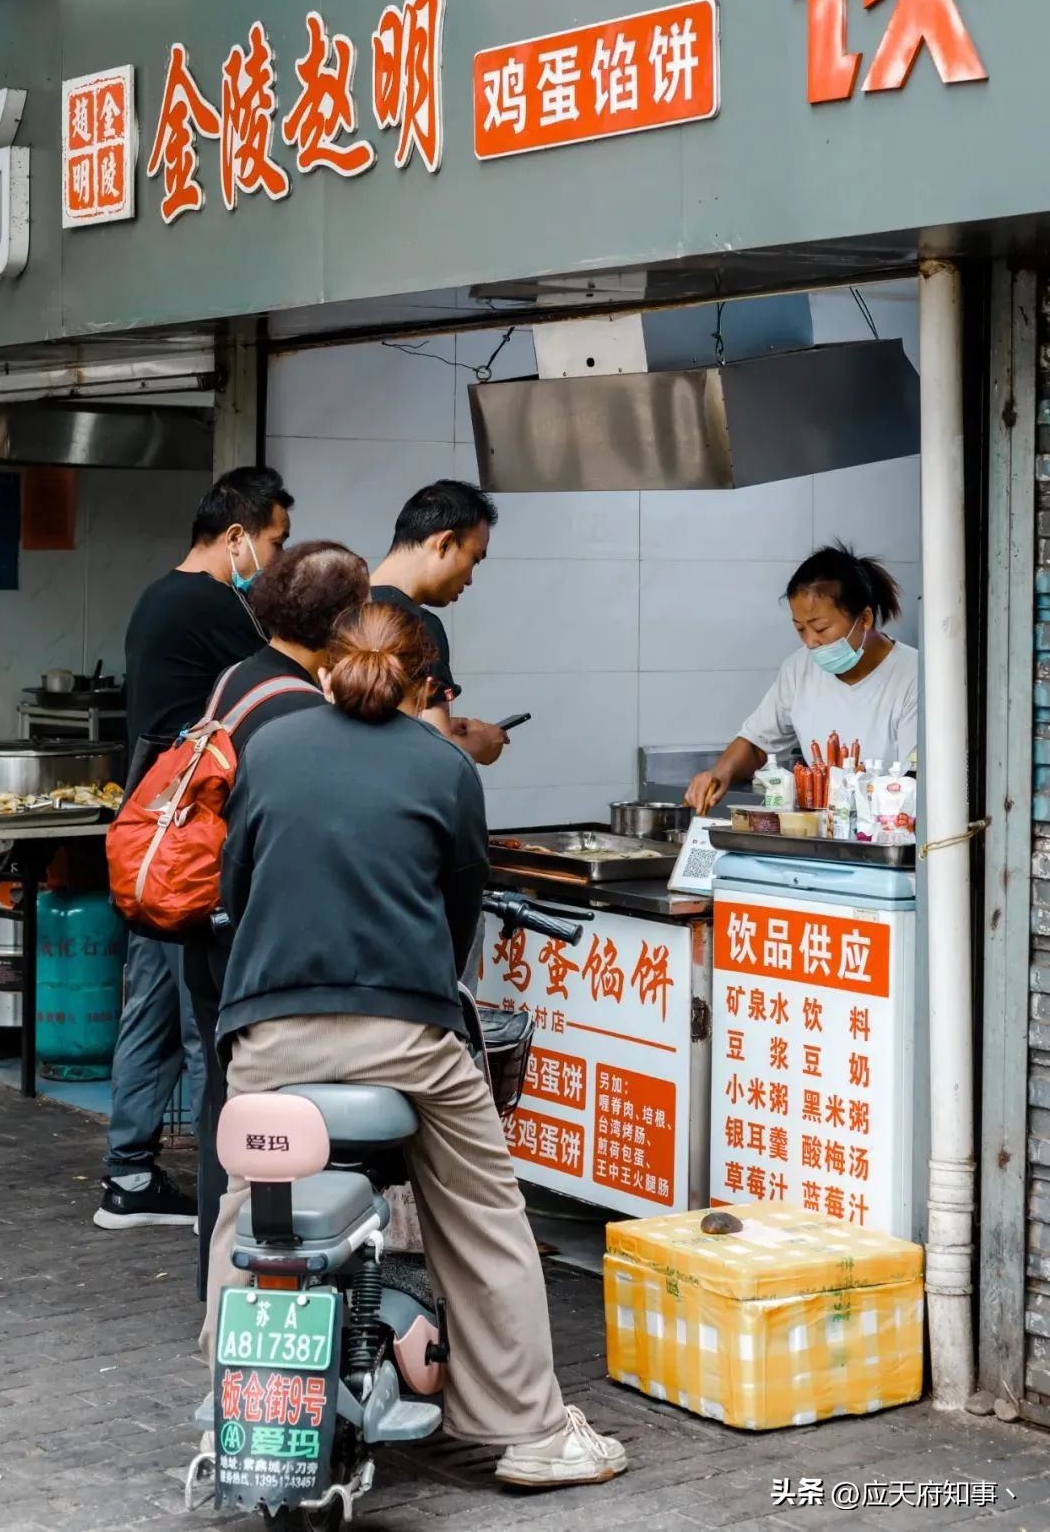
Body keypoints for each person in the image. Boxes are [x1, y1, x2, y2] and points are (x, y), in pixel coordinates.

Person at [202, 602, 627, 1488]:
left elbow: (236, 885)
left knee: (247, 1206)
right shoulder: (444, 765)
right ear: (423, 682)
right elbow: (459, 911)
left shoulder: (269, 750)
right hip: (408, 1036)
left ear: (325, 668)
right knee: (484, 1213)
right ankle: (531, 1431)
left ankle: (231, 1408)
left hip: (271, 1035)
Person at [96, 467, 293, 1231]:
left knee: (149, 1003)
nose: (273, 559)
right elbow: (285, 680)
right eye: (273, 541)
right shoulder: (216, 606)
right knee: (197, 1017)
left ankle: (129, 1173)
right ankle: (226, 1191)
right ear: (238, 534)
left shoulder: (157, 596)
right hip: (193, 844)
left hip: (155, 839)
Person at [184, 539, 369, 1296]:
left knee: (224, 1105)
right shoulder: (298, 710)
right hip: (259, 943)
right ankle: (275, 1280)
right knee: (280, 1110)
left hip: (208, 926)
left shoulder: (239, 677)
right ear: (340, 622)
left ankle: (221, 1269)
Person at [685, 544, 919, 814]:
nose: (811, 642)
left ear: (864, 618)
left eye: (821, 628)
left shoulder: (914, 676)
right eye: (800, 629)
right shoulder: (799, 669)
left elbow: (915, 780)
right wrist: (719, 773)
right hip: (825, 829)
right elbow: (758, 744)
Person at [370, 479, 509, 769]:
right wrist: (480, 745)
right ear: (444, 543)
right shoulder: (418, 627)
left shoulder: (342, 608)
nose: (470, 578)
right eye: (474, 559)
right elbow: (434, 755)